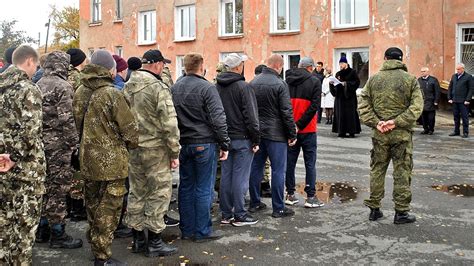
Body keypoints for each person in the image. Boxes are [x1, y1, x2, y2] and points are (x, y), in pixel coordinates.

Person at [73, 50, 138, 265]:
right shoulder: (112, 94)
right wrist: (131, 143)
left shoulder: (80, 90)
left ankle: (96, 246)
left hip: (87, 159)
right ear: (110, 69)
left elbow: (77, 123)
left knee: (92, 204)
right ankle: (102, 256)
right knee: (109, 209)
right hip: (111, 163)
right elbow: (130, 129)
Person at [123, 49, 179, 257]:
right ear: (156, 64)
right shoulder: (158, 87)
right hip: (156, 150)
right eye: (163, 64)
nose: (163, 67)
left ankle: (138, 239)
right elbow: (169, 123)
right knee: (159, 193)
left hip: (134, 148)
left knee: (137, 191)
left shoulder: (128, 86)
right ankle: (155, 241)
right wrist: (174, 152)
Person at [358, 47, 423, 224]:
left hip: (380, 133)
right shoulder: (410, 80)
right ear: (401, 60)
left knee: (377, 169)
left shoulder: (373, 80)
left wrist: (377, 122)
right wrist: (396, 122)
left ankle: (374, 208)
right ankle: (401, 212)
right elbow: (416, 107)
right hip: (401, 134)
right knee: (402, 171)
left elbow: (363, 105)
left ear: (385, 58)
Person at [171, 53, 230, 242]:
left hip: (184, 142)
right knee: (204, 188)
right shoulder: (207, 87)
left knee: (186, 186)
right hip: (204, 142)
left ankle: (187, 229)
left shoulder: (175, 87)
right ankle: (202, 231)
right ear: (201, 66)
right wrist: (225, 143)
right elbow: (218, 117)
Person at [0, 44, 45, 265]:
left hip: (2, 167)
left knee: (4, 227)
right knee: (24, 230)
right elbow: (31, 133)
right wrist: (15, 157)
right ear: (28, 61)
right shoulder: (28, 89)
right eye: (35, 64)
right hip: (26, 172)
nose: (36, 69)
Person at [35, 51, 82, 249]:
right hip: (59, 146)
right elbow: (67, 120)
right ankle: (58, 234)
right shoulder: (63, 86)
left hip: (41, 143)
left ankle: (42, 229)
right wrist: (75, 146)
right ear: (63, 65)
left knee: (45, 188)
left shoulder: (38, 84)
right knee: (59, 190)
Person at [249, 54, 297, 218]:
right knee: (278, 170)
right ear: (278, 66)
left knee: (256, 168)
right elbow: (286, 112)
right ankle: (278, 207)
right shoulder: (280, 84)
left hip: (257, 133)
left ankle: (254, 202)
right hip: (276, 134)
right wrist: (292, 133)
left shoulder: (253, 82)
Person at [216, 53, 260, 226]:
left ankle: (226, 213)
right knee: (240, 177)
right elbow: (251, 116)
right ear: (238, 67)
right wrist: (256, 140)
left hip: (225, 137)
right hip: (242, 137)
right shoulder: (244, 87)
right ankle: (240, 213)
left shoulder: (217, 86)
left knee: (227, 176)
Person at [284, 57, 323, 208]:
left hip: (290, 128)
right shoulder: (314, 82)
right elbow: (314, 107)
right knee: (310, 163)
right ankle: (311, 196)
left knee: (290, 162)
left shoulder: (287, 81)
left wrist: (292, 126)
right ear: (310, 68)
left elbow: (284, 106)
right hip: (308, 128)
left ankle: (290, 194)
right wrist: (300, 125)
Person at [66, 48, 88, 222]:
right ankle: (77, 207)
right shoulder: (77, 79)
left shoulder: (59, 75)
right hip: (75, 128)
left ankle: (68, 206)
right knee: (77, 170)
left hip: (58, 132)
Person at [330, 56, 361, 138]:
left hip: (349, 98)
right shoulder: (338, 74)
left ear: (346, 63)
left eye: (342, 63)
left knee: (350, 114)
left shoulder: (352, 72)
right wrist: (332, 84)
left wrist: (346, 84)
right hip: (340, 98)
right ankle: (341, 131)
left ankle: (352, 131)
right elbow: (335, 88)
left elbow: (356, 82)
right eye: (340, 63)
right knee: (340, 114)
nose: (340, 65)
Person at [447, 63, 473, 138]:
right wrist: (449, 98)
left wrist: (468, 99)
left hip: (463, 101)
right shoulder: (454, 76)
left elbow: (471, 89)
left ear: (463, 69)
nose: (457, 70)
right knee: (456, 117)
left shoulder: (468, 77)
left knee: (465, 117)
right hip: (455, 100)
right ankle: (456, 131)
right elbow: (450, 87)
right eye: (456, 69)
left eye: (458, 69)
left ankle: (465, 132)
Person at [418, 67, 440, 135]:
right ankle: (425, 129)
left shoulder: (433, 80)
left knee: (431, 117)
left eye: (424, 71)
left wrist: (436, 101)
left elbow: (437, 91)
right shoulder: (419, 80)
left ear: (427, 72)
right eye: (421, 71)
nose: (422, 73)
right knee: (423, 117)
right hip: (423, 101)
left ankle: (431, 129)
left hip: (431, 101)